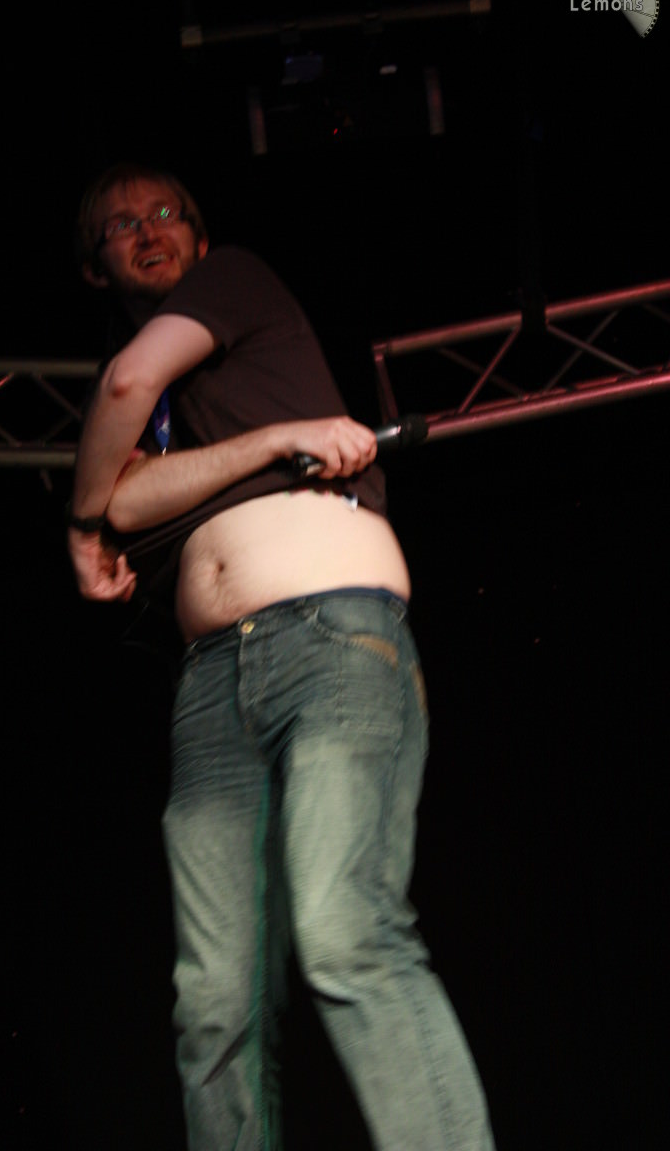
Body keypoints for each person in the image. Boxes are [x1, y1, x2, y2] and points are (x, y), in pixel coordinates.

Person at [67, 162, 495, 1150]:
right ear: (93, 268)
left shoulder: (231, 283)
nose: (149, 229)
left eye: (166, 213)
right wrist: (273, 442)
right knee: (213, 1002)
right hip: (210, 683)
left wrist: (79, 527)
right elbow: (123, 495)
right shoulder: (149, 409)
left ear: (199, 236)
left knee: (347, 931)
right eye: (120, 224)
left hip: (330, 638)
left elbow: (121, 423)